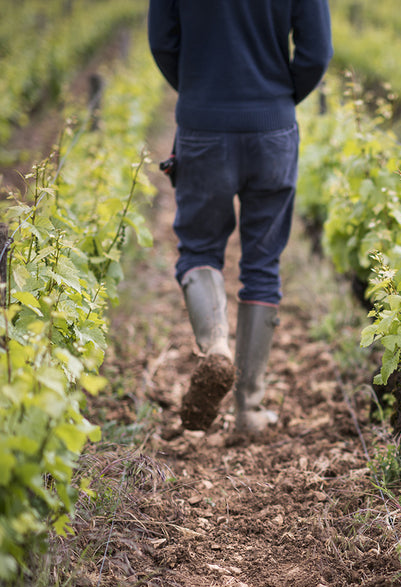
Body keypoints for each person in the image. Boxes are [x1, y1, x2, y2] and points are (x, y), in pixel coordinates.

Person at [147, 0, 333, 433]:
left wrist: (198, 92)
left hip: (202, 126)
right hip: (273, 130)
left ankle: (216, 347)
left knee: (198, 250)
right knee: (263, 265)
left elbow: (162, 43)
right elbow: (316, 53)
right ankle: (249, 410)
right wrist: (278, 97)